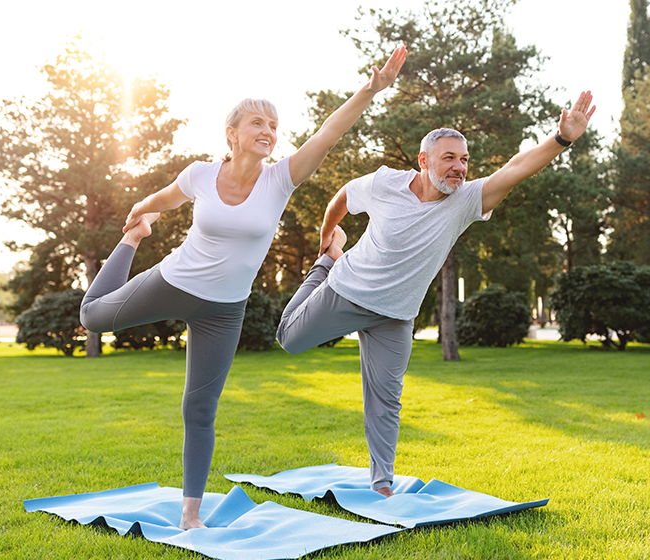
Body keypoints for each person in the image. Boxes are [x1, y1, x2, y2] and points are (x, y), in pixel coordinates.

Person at [79, 45, 407, 529]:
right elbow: (168, 196)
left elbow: (329, 133)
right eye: (258, 123)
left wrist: (370, 90)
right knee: (91, 317)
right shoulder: (201, 175)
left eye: (273, 126)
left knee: (199, 407)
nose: (268, 132)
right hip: (173, 280)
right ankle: (130, 244)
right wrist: (139, 216)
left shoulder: (281, 179)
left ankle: (192, 514)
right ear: (231, 134)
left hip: (224, 310)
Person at [276, 91, 596, 497]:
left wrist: (561, 140)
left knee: (385, 402)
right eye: (449, 158)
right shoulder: (384, 183)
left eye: (464, 160)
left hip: (395, 315)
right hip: (347, 290)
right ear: (424, 160)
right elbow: (342, 196)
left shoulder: (465, 201)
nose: (459, 168)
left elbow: (515, 169)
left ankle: (382, 486)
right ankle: (325, 265)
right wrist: (327, 241)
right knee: (288, 339)